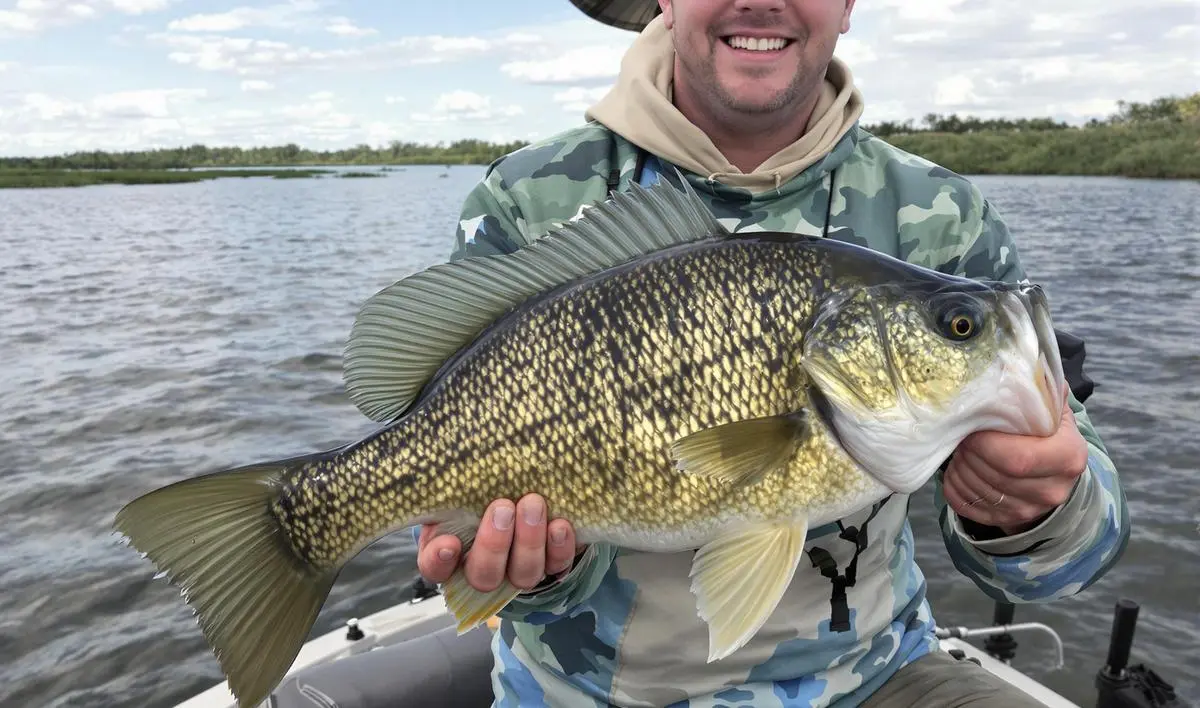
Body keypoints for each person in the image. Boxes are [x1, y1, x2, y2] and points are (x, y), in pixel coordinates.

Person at [414, 1, 1130, 705]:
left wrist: (1030, 509)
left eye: (957, 327)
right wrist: (536, 572)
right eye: (960, 327)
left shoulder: (943, 215)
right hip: (581, 693)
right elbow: (507, 581)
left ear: (847, 5)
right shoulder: (528, 199)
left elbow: (1065, 568)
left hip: (878, 676)